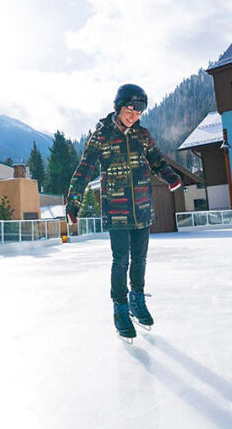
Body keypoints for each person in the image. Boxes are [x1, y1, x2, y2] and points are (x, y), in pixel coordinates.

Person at [66, 84, 181, 341]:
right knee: (121, 261)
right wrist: (73, 202)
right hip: (116, 210)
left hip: (141, 207)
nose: (134, 116)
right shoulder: (101, 136)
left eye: (139, 112)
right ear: (118, 107)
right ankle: (120, 308)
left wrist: (170, 176)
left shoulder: (143, 135)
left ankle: (137, 300)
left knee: (140, 259)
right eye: (130, 110)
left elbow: (157, 160)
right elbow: (84, 169)